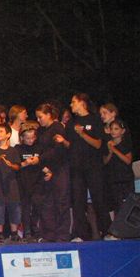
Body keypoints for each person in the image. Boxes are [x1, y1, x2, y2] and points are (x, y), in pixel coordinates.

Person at [55, 93, 109, 240]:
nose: (71, 105)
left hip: (93, 166)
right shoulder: (71, 123)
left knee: (98, 199)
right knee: (78, 201)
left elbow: (98, 144)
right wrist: (63, 141)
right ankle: (80, 234)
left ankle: (108, 231)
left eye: (73, 102)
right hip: (77, 167)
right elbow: (71, 145)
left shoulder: (95, 119)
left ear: (82, 103)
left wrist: (83, 133)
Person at [33, 103, 71, 243]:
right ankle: (49, 234)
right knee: (47, 203)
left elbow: (58, 150)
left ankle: (62, 234)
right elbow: (40, 149)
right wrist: (43, 166)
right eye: (37, 118)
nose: (38, 120)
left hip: (59, 169)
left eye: (40, 117)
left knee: (61, 201)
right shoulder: (42, 131)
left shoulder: (57, 128)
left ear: (49, 115)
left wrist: (41, 159)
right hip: (46, 170)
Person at [0, 124, 22, 243]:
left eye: (1, 131)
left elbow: (18, 166)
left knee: (14, 206)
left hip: (11, 182)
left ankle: (14, 233)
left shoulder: (13, 150)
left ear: (8, 135)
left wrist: (11, 165)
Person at [103, 119, 134, 224]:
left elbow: (128, 160)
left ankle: (130, 229)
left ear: (122, 131)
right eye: (111, 129)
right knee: (117, 206)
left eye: (116, 129)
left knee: (129, 206)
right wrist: (110, 151)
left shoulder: (126, 144)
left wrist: (115, 150)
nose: (113, 131)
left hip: (125, 179)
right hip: (113, 179)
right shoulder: (108, 144)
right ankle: (118, 229)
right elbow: (105, 161)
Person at [17, 126, 44, 242]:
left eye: (32, 138)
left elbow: (44, 162)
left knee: (37, 204)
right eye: (28, 138)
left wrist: (46, 170)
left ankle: (35, 227)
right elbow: (15, 165)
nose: (30, 140)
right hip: (23, 182)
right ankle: (27, 231)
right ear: (22, 138)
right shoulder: (18, 149)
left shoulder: (39, 148)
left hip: (37, 181)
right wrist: (25, 163)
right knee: (26, 207)